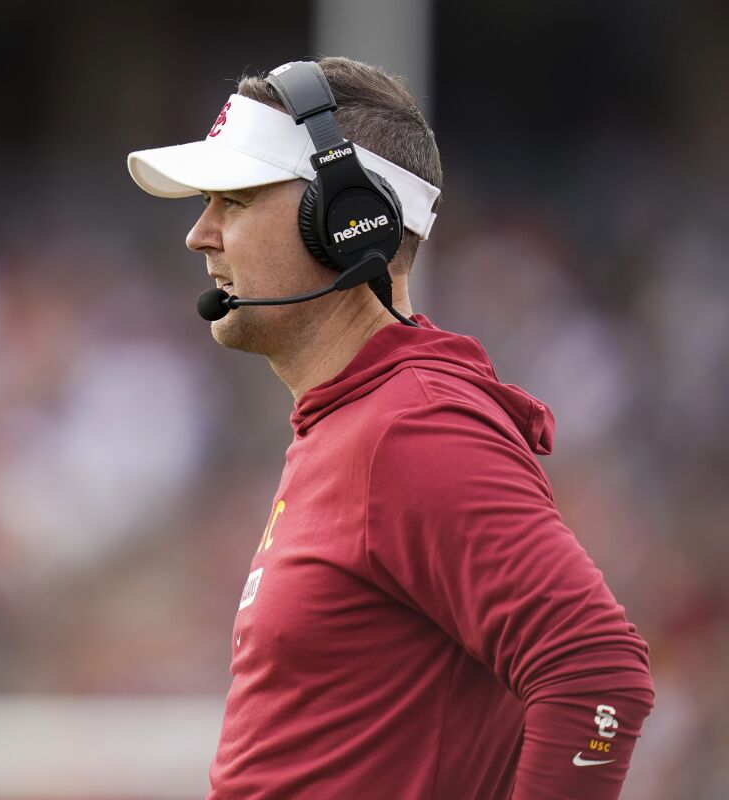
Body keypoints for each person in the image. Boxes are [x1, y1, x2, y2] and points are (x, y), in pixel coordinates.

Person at [126, 56, 654, 799]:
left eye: (235, 199)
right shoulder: (358, 420)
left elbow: (598, 675)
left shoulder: (414, 428)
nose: (200, 234)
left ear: (348, 221)